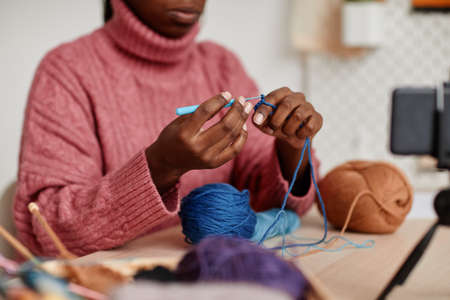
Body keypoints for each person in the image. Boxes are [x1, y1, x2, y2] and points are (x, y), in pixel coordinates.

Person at [14, 0, 323, 256]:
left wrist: (291, 146)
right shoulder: (67, 70)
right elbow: (46, 228)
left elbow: (271, 212)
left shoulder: (221, 64)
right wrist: (161, 166)